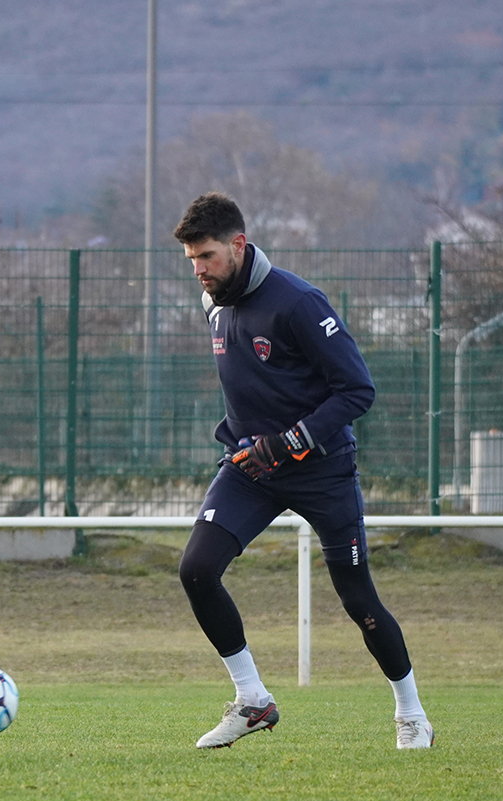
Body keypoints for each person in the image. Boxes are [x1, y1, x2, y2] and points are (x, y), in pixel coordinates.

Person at [172, 192, 434, 750]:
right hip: (250, 469)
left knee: (357, 600)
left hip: (323, 471)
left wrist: (290, 441)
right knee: (196, 570)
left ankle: (411, 714)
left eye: (208, 256)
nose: (199, 270)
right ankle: (253, 701)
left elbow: (357, 390)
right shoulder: (213, 302)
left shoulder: (297, 302)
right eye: (192, 259)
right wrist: (255, 443)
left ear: (239, 246)